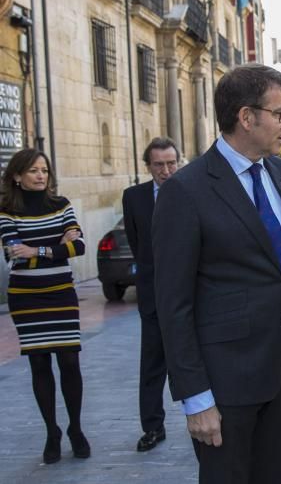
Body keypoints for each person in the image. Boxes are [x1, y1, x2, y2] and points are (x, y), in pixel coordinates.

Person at [154, 63, 281, 483]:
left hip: (280, 371)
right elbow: (173, 303)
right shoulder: (186, 190)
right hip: (224, 383)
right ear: (245, 117)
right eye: (280, 113)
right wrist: (195, 397)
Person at [1, 148, 89, 464]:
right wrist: (56, 247)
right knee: (39, 364)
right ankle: (52, 431)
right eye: (34, 171)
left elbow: (78, 246)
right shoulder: (6, 211)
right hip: (27, 298)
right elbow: (14, 253)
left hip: (61, 294)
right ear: (17, 176)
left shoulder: (61, 205)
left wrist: (36, 249)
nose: (41, 176)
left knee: (69, 361)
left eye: (44, 170)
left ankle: (76, 429)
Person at [122, 137, 180, 453]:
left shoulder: (192, 192)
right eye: (158, 164)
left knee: (200, 361)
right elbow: (137, 244)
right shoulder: (134, 198)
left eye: (171, 163)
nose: (166, 170)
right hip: (153, 296)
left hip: (192, 295)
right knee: (152, 365)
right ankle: (153, 427)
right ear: (148, 166)